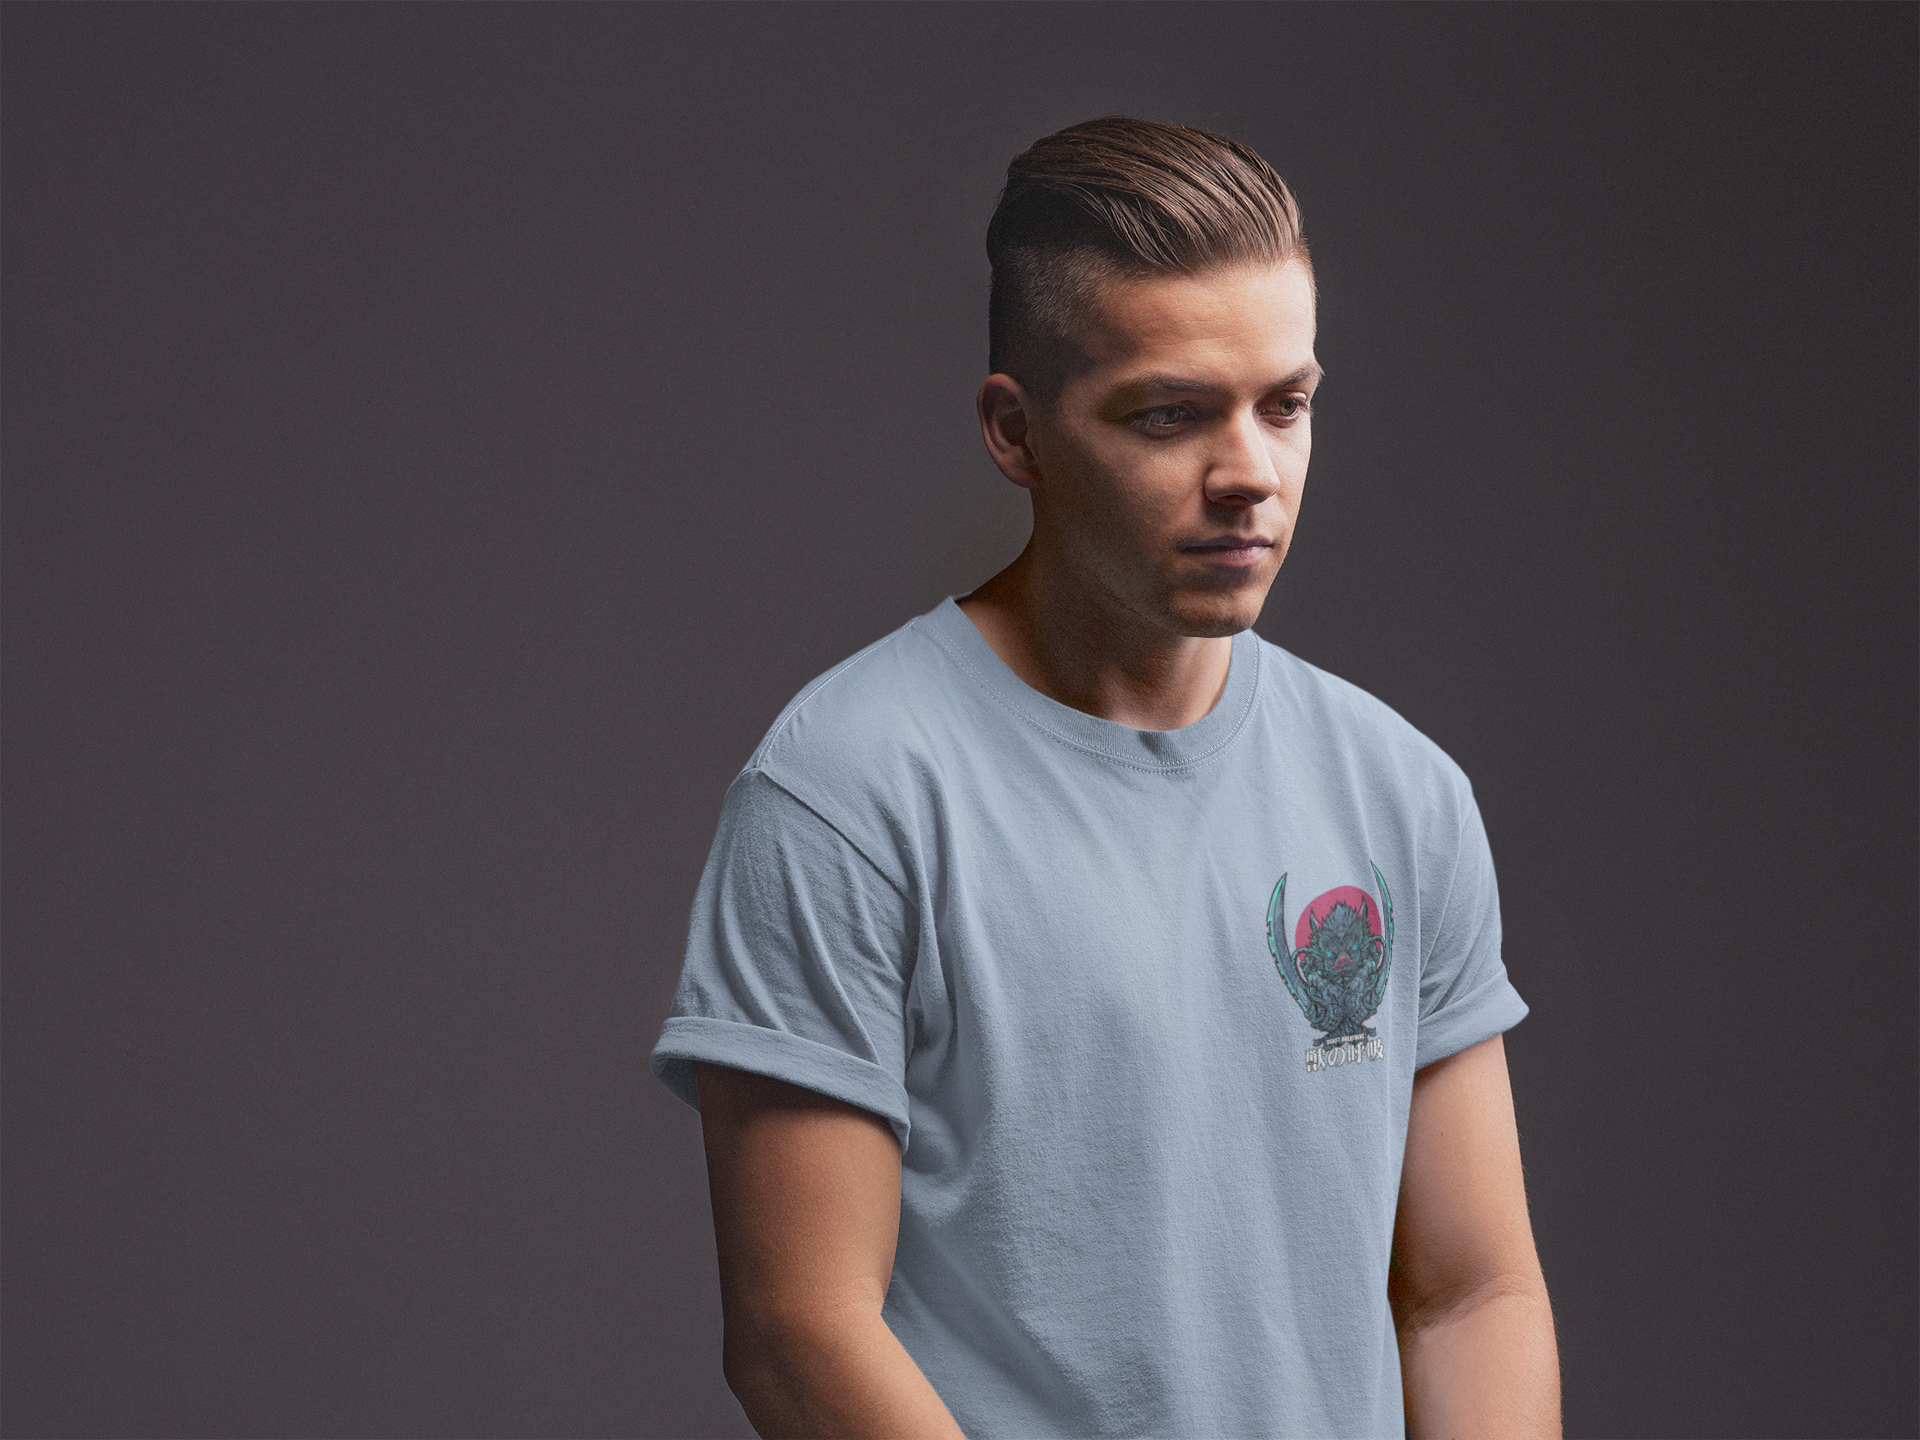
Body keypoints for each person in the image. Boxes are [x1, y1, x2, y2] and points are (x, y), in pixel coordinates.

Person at [652, 115, 1559, 1440]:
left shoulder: (1400, 792)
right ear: (1014, 431)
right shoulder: (844, 797)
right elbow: (800, 1334)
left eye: (1286, 405)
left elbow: (1471, 1296)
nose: (1250, 474)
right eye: (1171, 414)